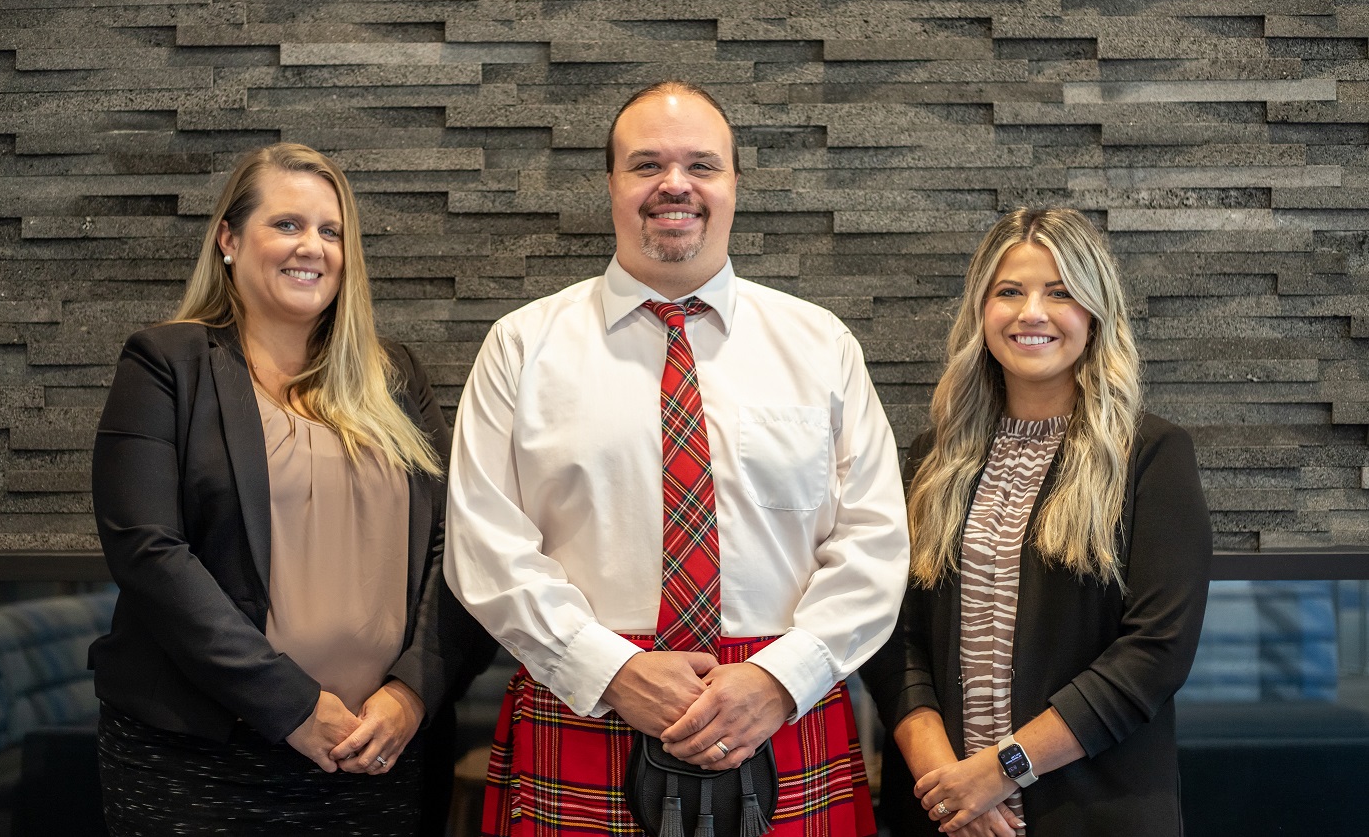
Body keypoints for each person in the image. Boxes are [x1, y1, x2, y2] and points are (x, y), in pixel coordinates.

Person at [444, 81, 910, 837]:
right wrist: (613, 671)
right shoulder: (522, 347)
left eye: (702, 164)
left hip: (783, 712)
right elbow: (483, 547)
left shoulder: (820, 346)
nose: (675, 183)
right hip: (586, 702)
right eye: (646, 164)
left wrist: (778, 678)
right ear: (611, 186)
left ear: (733, 186)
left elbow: (876, 545)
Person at [90, 143, 490, 835]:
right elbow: (149, 553)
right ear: (229, 239)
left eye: (331, 231)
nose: (313, 246)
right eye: (287, 224)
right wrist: (293, 704)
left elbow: (454, 545)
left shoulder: (395, 376)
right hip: (200, 764)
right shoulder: (164, 364)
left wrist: (412, 693)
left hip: (379, 755)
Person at [861, 207, 1212, 837]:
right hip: (944, 816)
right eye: (1010, 292)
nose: (1032, 313)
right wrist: (948, 786)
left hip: (1094, 812)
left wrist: (1000, 771)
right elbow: (892, 636)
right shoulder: (932, 459)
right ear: (981, 313)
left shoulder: (1151, 457)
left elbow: (1154, 653)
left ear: (1094, 315)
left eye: (1060, 293)